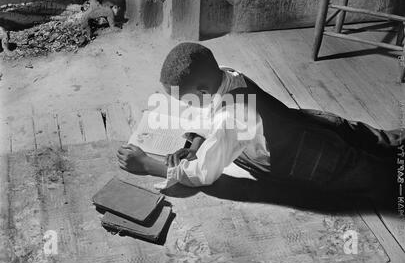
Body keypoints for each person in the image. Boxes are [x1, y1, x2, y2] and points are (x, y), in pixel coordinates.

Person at [117, 42, 403, 196]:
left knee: (387, 177)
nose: (186, 106)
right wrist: (194, 142)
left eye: (186, 99)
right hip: (310, 124)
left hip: (316, 160)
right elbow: (211, 112)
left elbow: (202, 174)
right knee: (375, 137)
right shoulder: (226, 74)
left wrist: (148, 165)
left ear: (202, 90)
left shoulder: (231, 118)